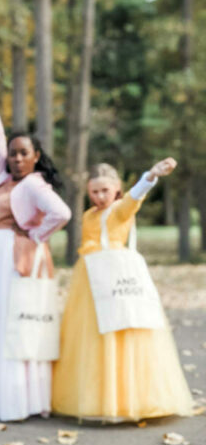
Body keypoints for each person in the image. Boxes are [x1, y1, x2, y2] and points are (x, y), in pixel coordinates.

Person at [0, 73, 71, 421]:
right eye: (13, 153)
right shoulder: (5, 178)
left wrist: (35, 236)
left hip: (16, 255)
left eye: (24, 153)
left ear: (36, 156)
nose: (16, 158)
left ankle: (21, 398)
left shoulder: (35, 185)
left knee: (16, 322)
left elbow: (61, 213)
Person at [52, 159, 193, 421]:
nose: (99, 197)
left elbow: (134, 198)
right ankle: (96, 396)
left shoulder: (118, 210)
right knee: (93, 338)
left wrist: (150, 175)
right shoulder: (88, 215)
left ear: (116, 189)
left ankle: (128, 398)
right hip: (90, 281)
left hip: (113, 276)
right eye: (94, 191)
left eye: (105, 190)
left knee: (120, 331)